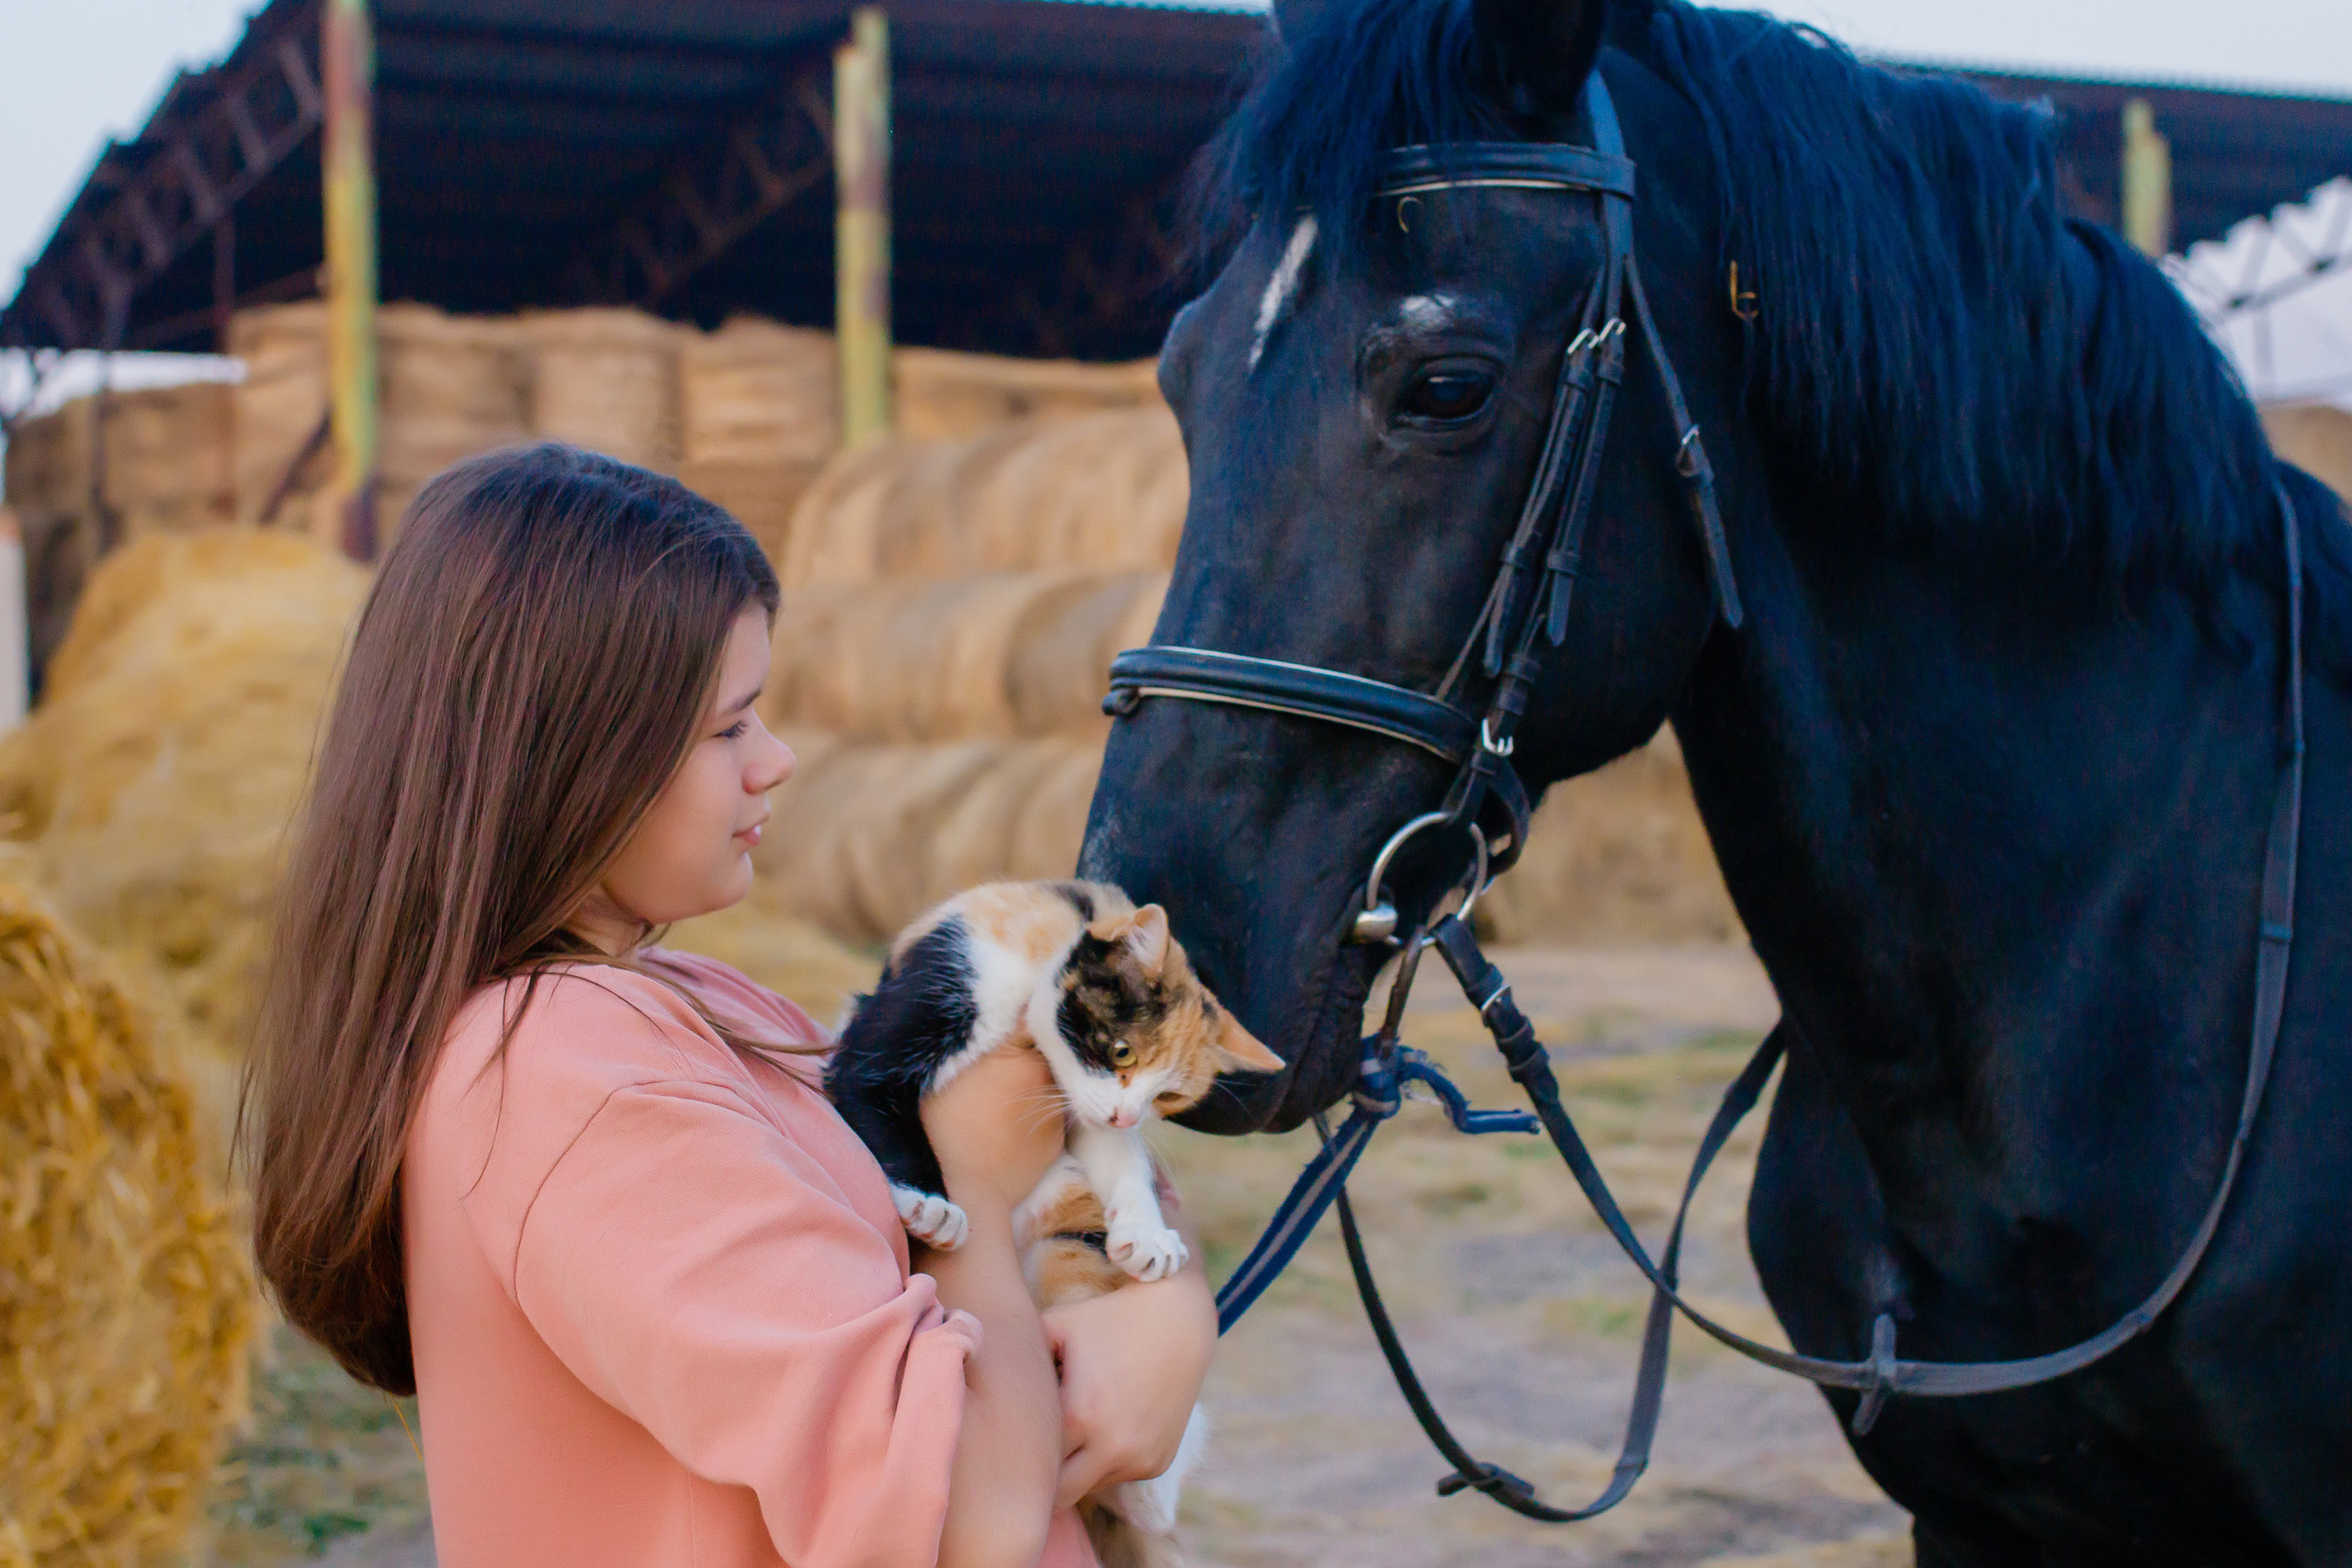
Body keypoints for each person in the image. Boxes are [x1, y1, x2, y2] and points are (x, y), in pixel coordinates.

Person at [243, 444, 1217, 1568]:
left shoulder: (694, 1003)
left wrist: (1162, 1314)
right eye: (727, 728)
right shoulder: (569, 1077)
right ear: (565, 758)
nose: (779, 761)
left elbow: (1064, 1187)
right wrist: (963, 1177)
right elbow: (970, 1518)